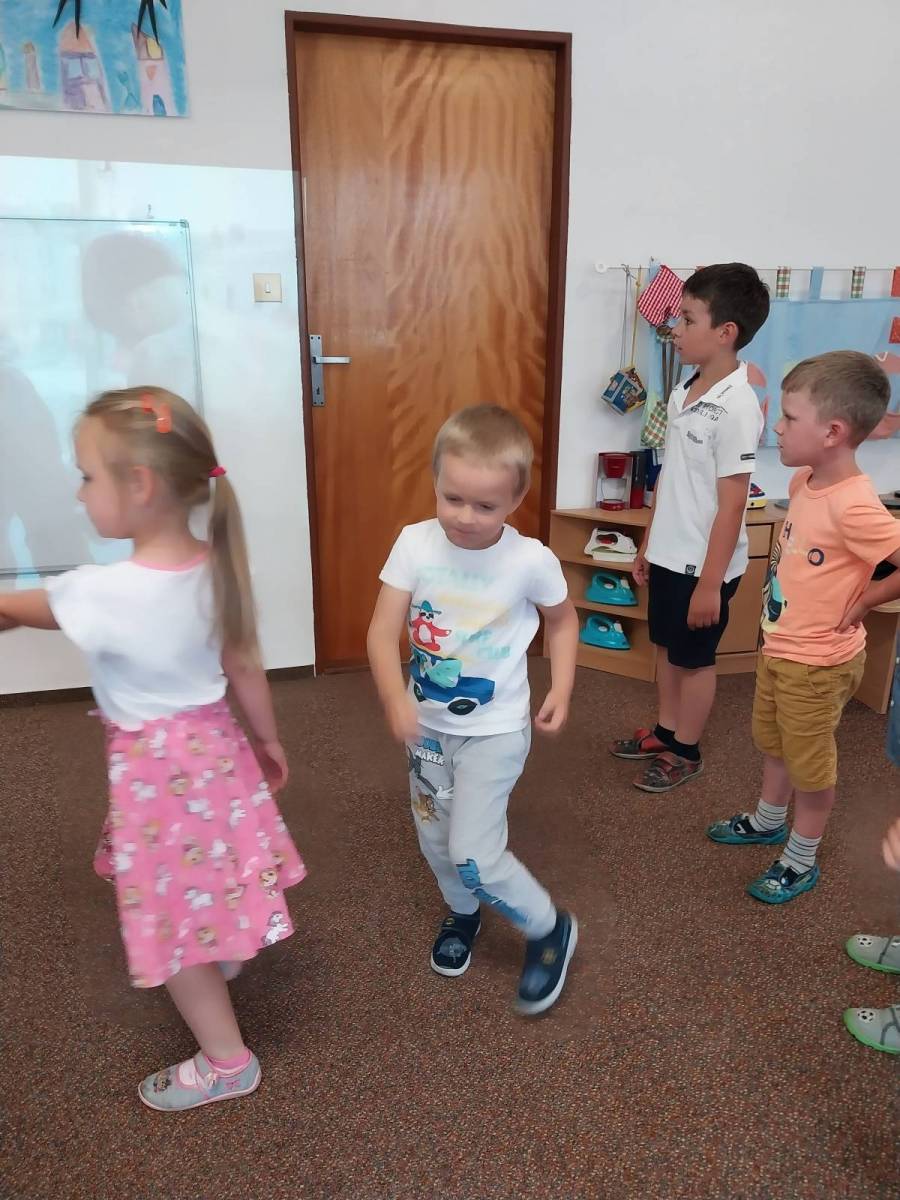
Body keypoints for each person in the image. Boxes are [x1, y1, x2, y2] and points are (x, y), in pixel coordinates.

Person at [0, 387, 305, 1110]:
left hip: (157, 780)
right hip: (216, 756)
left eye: (86, 476)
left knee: (168, 926)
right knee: (209, 865)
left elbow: (11, 607)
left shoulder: (100, 591)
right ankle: (220, 941)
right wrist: (267, 738)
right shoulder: (216, 567)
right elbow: (245, 667)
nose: (79, 494)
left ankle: (227, 1063)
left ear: (138, 485)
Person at [366, 405, 579, 1016]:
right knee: (435, 837)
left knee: (474, 852)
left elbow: (563, 622)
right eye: (451, 498)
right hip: (427, 732)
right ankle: (463, 913)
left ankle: (549, 927)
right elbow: (381, 632)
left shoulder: (530, 560)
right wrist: (393, 698)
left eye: (485, 506)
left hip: (495, 730)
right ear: (435, 482)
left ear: (516, 499)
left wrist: (562, 686)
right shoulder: (414, 543)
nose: (464, 516)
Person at [707, 352, 900, 903]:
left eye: (790, 418)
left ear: (833, 432)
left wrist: (867, 599)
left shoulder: (855, 505)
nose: (777, 426)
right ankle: (768, 821)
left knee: (810, 767)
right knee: (774, 744)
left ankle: (800, 858)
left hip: (819, 663)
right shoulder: (803, 481)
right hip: (781, 647)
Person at [611, 264, 770, 792]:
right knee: (666, 647)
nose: (674, 329)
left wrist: (709, 584)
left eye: (686, 319)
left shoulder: (738, 406)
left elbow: (732, 505)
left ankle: (687, 749)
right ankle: (666, 731)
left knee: (695, 660)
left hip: (705, 566)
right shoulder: (686, 389)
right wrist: (648, 544)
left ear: (725, 332)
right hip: (668, 553)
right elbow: (671, 479)